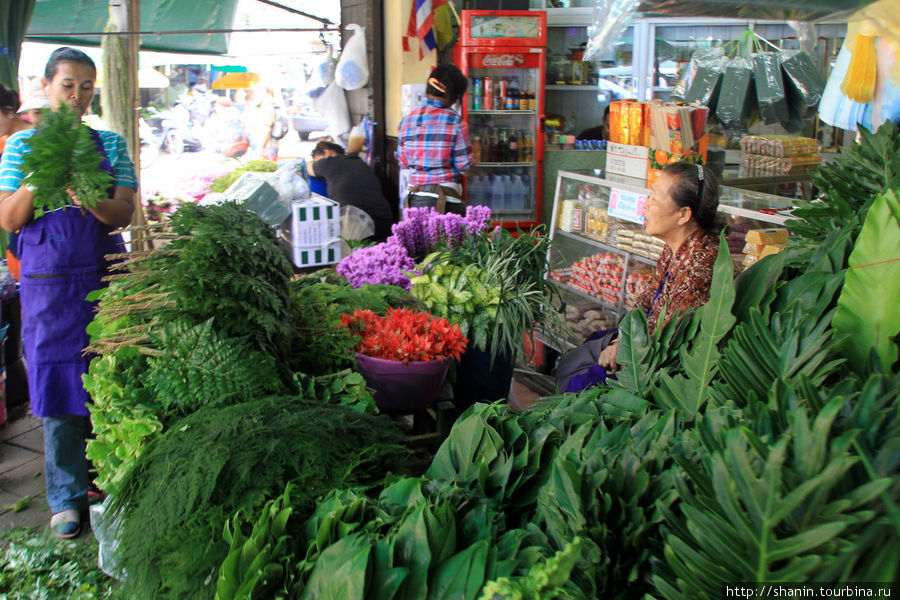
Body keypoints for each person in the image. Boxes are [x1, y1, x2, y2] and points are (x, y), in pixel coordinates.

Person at [0, 47, 137, 539]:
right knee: (56, 383)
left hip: (104, 278)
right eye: (67, 86)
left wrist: (91, 199)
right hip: (45, 286)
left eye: (85, 87)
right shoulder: (21, 147)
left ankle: (107, 478)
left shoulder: (112, 145)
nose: (77, 96)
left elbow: (125, 214)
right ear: (47, 86)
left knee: (108, 377)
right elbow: (10, 219)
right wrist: (40, 181)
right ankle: (65, 496)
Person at [555, 161, 738, 393]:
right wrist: (622, 339)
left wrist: (622, 347)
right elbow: (646, 303)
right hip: (642, 345)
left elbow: (670, 336)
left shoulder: (701, 263)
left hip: (664, 371)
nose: (645, 205)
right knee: (583, 352)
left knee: (577, 381)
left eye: (655, 198)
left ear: (683, 214)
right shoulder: (674, 247)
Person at [396, 64, 473, 215]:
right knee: (448, 239)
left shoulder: (407, 121)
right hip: (447, 201)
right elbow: (465, 168)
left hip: (415, 200)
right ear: (453, 94)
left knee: (417, 239)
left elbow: (403, 163)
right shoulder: (456, 123)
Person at [308, 140, 395, 241]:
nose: (316, 163)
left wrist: (313, 163)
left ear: (327, 152)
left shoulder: (331, 162)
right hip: (385, 225)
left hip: (362, 228)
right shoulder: (357, 163)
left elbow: (306, 167)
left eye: (316, 160)